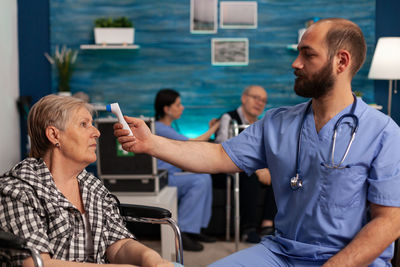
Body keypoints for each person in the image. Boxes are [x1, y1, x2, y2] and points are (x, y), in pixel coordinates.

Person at [114, 18, 400, 266]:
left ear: (341, 61)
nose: (295, 63)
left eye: (307, 55)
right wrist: (151, 143)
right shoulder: (278, 122)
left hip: (348, 258)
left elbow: (389, 222)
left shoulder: (383, 133)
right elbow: (217, 156)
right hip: (282, 252)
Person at [0, 94, 176, 267]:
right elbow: (37, 264)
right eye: (84, 124)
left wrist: (151, 259)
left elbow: (119, 244)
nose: (97, 132)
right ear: (54, 135)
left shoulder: (92, 185)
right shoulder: (18, 189)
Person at [154, 89, 220, 252]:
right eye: (178, 104)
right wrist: (215, 128)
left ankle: (194, 230)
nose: (182, 107)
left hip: (174, 174)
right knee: (200, 179)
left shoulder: (168, 128)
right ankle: (181, 232)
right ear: (167, 109)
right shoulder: (159, 127)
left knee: (204, 176)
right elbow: (192, 144)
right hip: (163, 178)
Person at [214, 85, 277, 243]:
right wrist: (257, 169)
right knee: (248, 174)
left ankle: (267, 223)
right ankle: (248, 229)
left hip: (255, 168)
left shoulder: (261, 124)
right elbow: (223, 147)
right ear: (244, 98)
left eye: (263, 100)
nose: (260, 103)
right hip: (228, 170)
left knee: (281, 172)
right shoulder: (229, 118)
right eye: (256, 98)